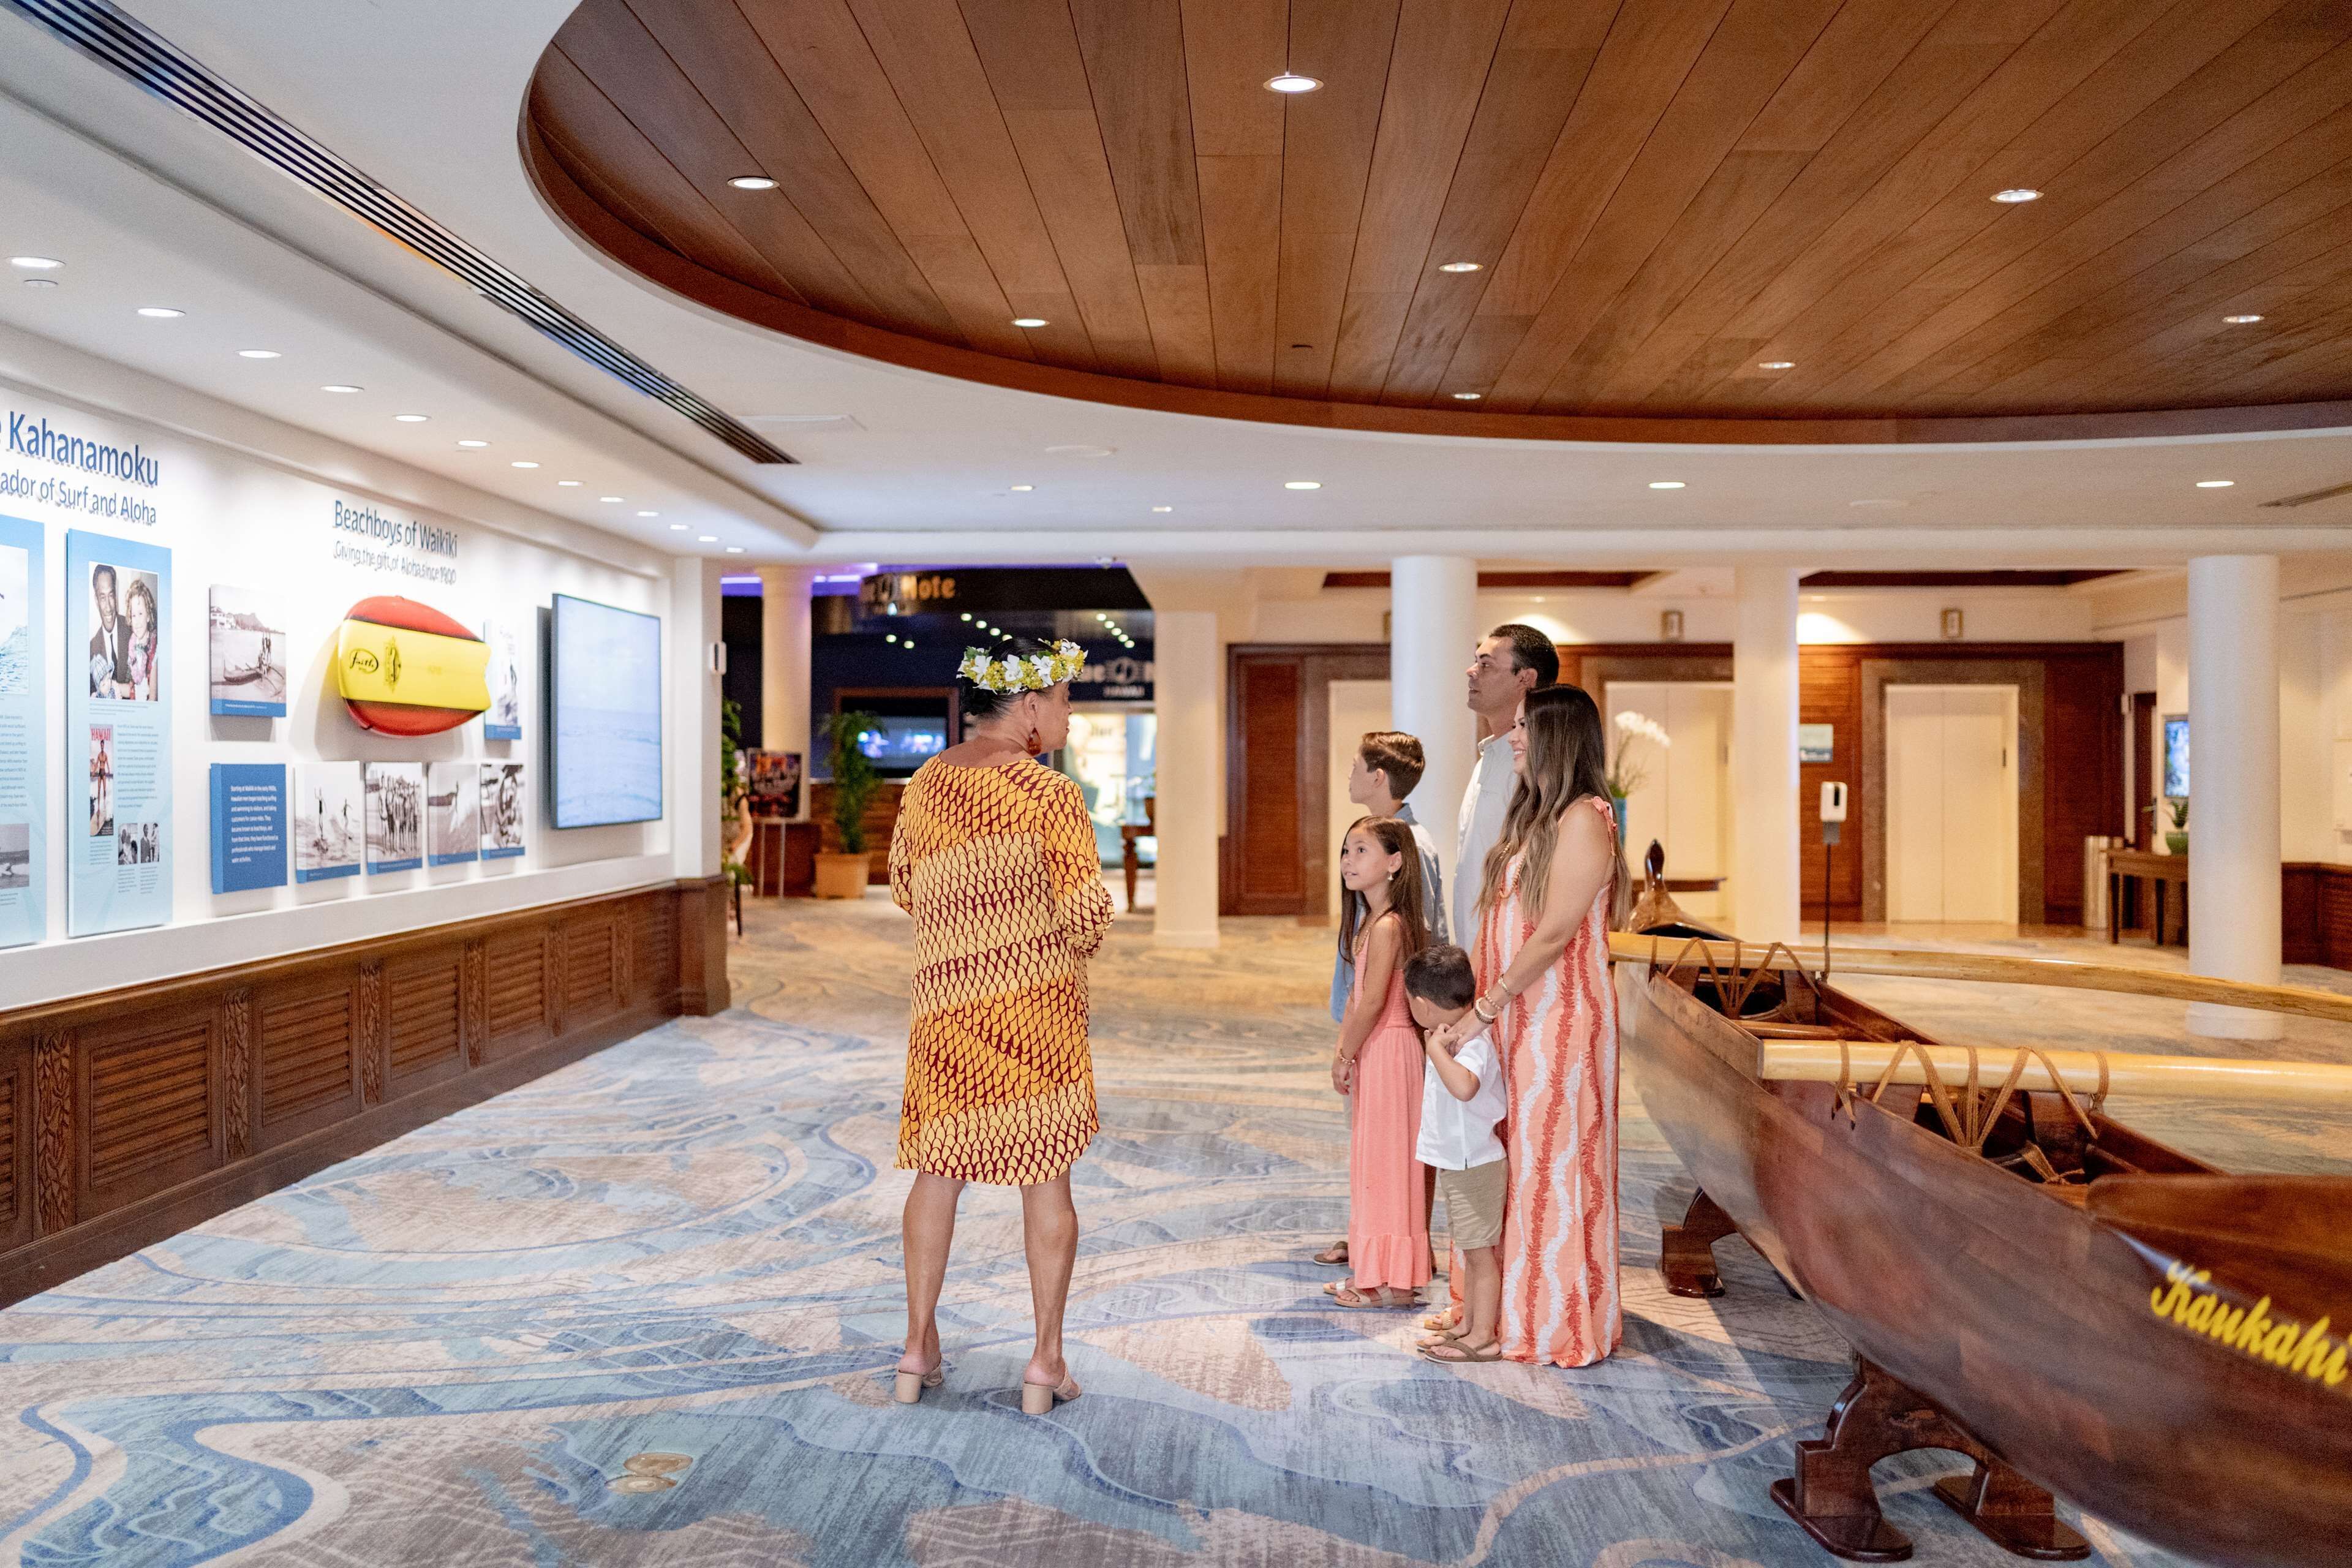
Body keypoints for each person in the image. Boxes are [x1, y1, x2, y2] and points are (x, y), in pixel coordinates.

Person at [888, 638, 1112, 1413]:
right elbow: (1085, 918)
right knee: (1045, 1179)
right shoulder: (1048, 796)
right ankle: (1045, 1362)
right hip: (1033, 1020)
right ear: (1028, 705)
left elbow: (905, 887)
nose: (1070, 716)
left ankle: (918, 1346)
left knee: (936, 1175)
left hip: (949, 1012)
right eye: (1065, 701)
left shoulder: (922, 784)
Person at [1430, 684, 1623, 1368]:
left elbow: (1555, 934)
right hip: (1518, 1014)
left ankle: (1547, 1323)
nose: (1512, 736)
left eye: (1522, 728)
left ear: (1556, 738)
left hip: (1559, 1018)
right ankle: (1493, 1312)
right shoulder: (1537, 815)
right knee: (1504, 1159)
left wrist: (1483, 1008)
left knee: (1549, 1166)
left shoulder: (1584, 818)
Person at [1316, 731, 1448, 1270]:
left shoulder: (1412, 850)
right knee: (1374, 1146)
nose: (1347, 774)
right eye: (1347, 853)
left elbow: (1426, 940)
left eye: (1354, 765)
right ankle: (1377, 1242)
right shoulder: (1373, 857)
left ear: (1377, 776)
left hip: (1393, 1031)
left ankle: (1406, 1250)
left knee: (1400, 1147)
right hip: (1367, 1031)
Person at [1327, 816, 1431, 1309]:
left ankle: (1381, 1281)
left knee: (1387, 1164)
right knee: (1379, 1162)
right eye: (1347, 851)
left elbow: (1371, 1002)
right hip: (1380, 1049)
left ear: (1394, 862)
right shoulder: (1374, 920)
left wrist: (1345, 1052)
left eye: (1362, 851)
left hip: (1388, 1050)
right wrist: (1347, 1049)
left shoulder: (1389, 925)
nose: (1349, 861)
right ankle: (1387, 1276)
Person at [1403, 944, 1509, 1365]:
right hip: (1460, 1162)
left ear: (1423, 1006)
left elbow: (1465, 1088)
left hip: (1476, 1164)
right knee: (1471, 1249)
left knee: (1481, 1254)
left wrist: (1434, 1052)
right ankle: (1470, 1324)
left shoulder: (1473, 1043)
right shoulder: (1452, 1037)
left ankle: (1484, 1337)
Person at [1455, 625, 1558, 944]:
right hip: (1477, 950)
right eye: (1476, 661)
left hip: (1510, 957)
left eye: (1486, 664)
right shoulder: (1490, 753)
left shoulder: (1536, 766)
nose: (1471, 672)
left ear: (1525, 679)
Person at [88, 564, 130, 696]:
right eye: (102, 598)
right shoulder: (90, 651)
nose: (108, 608)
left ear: (116, 595)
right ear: (96, 600)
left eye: (111, 596)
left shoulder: (134, 629)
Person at [124, 578, 159, 702]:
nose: (137, 622)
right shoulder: (132, 646)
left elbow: (153, 698)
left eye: (140, 614)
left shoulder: (156, 649)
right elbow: (132, 688)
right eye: (134, 616)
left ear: (148, 616)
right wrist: (112, 685)